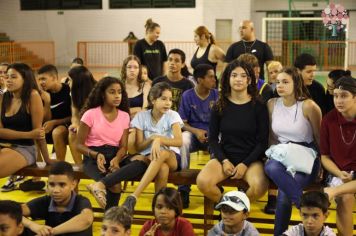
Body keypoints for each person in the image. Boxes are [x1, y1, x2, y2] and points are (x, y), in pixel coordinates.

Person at [196, 60, 269, 204]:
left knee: (259, 187)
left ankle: (237, 210)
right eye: (234, 75)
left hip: (251, 160)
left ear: (249, 80)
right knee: (203, 181)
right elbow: (212, 140)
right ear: (228, 79)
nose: (238, 79)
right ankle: (226, 207)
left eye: (243, 76)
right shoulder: (219, 105)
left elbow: (262, 142)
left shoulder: (259, 105)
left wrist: (245, 164)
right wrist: (224, 160)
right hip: (226, 157)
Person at [264, 67, 322, 235]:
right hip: (282, 152)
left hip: (306, 155)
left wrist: (321, 165)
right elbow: (272, 137)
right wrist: (269, 154)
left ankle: (279, 233)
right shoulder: (272, 104)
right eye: (278, 82)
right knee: (270, 167)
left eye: (285, 82)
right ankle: (306, 207)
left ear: (296, 83)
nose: (280, 85)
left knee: (284, 192)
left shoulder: (309, 106)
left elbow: (319, 138)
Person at [122, 82, 184, 214]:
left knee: (162, 154)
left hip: (171, 156)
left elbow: (179, 141)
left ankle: (134, 196)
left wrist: (159, 139)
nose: (168, 103)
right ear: (153, 100)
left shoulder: (173, 115)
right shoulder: (141, 117)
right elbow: (139, 146)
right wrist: (151, 138)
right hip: (150, 158)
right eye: (163, 99)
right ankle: (158, 210)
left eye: (170, 99)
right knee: (162, 168)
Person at [76, 77, 133, 210]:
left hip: (114, 155)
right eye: (112, 92)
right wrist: (95, 155)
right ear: (102, 94)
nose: (117, 96)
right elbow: (78, 145)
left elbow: (124, 146)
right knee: (115, 185)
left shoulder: (124, 116)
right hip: (93, 157)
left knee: (139, 161)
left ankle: (110, 219)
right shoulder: (90, 114)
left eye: (119, 92)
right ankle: (111, 219)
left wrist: (117, 159)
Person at [178, 64, 218, 208]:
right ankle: (183, 190)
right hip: (194, 134)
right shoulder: (187, 95)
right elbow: (182, 124)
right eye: (211, 76)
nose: (214, 79)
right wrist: (197, 132)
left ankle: (215, 186)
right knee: (183, 140)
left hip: (212, 134)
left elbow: (221, 122)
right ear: (200, 79)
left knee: (219, 143)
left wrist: (212, 134)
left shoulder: (216, 94)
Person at [0, 63, 50, 178]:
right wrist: (28, 134)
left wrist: (47, 159)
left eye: (13, 77)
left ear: (25, 78)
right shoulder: (3, 97)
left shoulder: (33, 96)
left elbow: (38, 132)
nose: (8, 80)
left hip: (24, 148)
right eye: (7, 77)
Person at [320, 76, 356, 236]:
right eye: (335, 96)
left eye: (344, 96)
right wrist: (339, 173)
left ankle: (333, 192)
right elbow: (325, 157)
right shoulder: (328, 120)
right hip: (338, 172)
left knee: (341, 193)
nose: (338, 100)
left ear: (355, 97)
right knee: (346, 198)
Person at [21, 161, 93, 236]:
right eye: (52, 184)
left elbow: (86, 219)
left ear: (73, 184)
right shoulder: (46, 201)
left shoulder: (81, 201)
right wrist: (33, 226)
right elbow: (13, 212)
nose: (56, 190)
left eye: (62, 185)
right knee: (17, 227)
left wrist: (51, 232)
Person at [37, 64, 72, 161]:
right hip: (49, 127)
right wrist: (47, 103)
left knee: (57, 132)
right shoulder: (42, 95)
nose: (41, 82)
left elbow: (74, 116)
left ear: (54, 78)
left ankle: (59, 166)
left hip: (67, 126)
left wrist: (55, 122)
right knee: (33, 133)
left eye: (43, 79)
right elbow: (46, 120)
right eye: (39, 79)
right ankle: (37, 169)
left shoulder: (68, 90)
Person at [121, 55, 151, 154]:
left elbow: (145, 110)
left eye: (135, 67)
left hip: (138, 124)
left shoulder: (145, 86)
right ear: (124, 69)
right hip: (120, 123)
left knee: (131, 139)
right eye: (129, 67)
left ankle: (133, 163)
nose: (132, 70)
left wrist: (131, 112)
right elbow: (116, 112)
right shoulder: (119, 86)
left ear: (139, 70)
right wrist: (137, 109)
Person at [67, 65, 97, 165]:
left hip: (99, 126)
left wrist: (83, 127)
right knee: (72, 133)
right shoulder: (74, 93)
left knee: (82, 134)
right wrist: (76, 125)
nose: (68, 83)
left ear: (78, 82)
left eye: (70, 80)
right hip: (84, 124)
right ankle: (80, 167)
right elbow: (74, 115)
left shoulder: (97, 93)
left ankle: (92, 164)